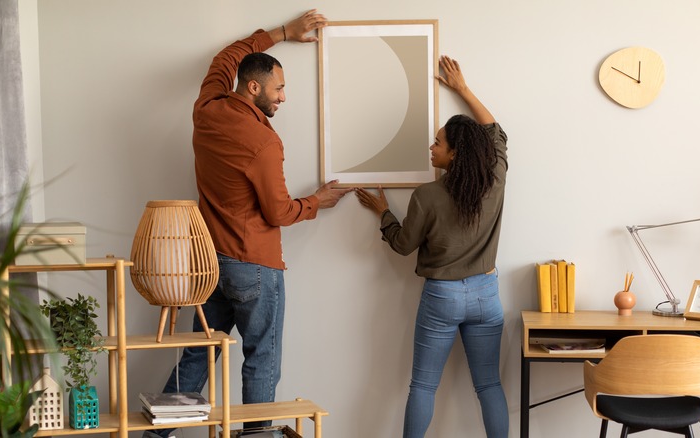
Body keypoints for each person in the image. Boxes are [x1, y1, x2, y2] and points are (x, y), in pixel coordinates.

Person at [145, 9, 351, 437]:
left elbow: (229, 55)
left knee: (198, 355)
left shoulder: (206, 108)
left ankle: (154, 435)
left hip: (210, 266)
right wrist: (317, 200)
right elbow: (278, 212)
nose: (283, 97)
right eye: (279, 88)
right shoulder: (264, 142)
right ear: (254, 87)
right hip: (254, 267)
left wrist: (281, 33)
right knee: (261, 358)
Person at [355, 55, 509, 438]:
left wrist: (383, 213)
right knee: (489, 385)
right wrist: (462, 89)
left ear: (454, 153)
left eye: (438, 142)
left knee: (423, 386)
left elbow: (404, 245)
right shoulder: (496, 178)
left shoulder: (426, 196)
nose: (431, 146)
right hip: (486, 293)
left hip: (442, 296)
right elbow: (496, 133)